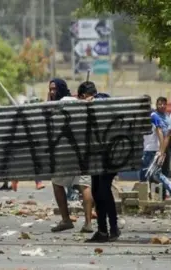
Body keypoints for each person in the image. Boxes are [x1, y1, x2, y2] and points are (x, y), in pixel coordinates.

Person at [47, 78, 94, 233]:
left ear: (61, 89)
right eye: (50, 89)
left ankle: (67, 219)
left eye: (54, 89)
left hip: (65, 152)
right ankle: (87, 223)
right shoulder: (68, 101)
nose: (52, 92)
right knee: (83, 185)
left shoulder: (65, 101)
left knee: (64, 184)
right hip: (81, 151)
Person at [78, 81, 120, 243]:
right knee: (96, 191)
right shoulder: (84, 109)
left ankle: (113, 227)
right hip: (95, 158)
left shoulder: (102, 100)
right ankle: (102, 230)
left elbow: (106, 102)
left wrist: (93, 101)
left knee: (103, 190)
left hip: (109, 157)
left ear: (84, 96)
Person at [141, 97, 171, 198]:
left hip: (154, 149)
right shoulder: (146, 115)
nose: (162, 106)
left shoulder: (153, 116)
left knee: (154, 173)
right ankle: (151, 194)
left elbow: (160, 132)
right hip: (149, 149)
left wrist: (161, 150)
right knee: (149, 173)